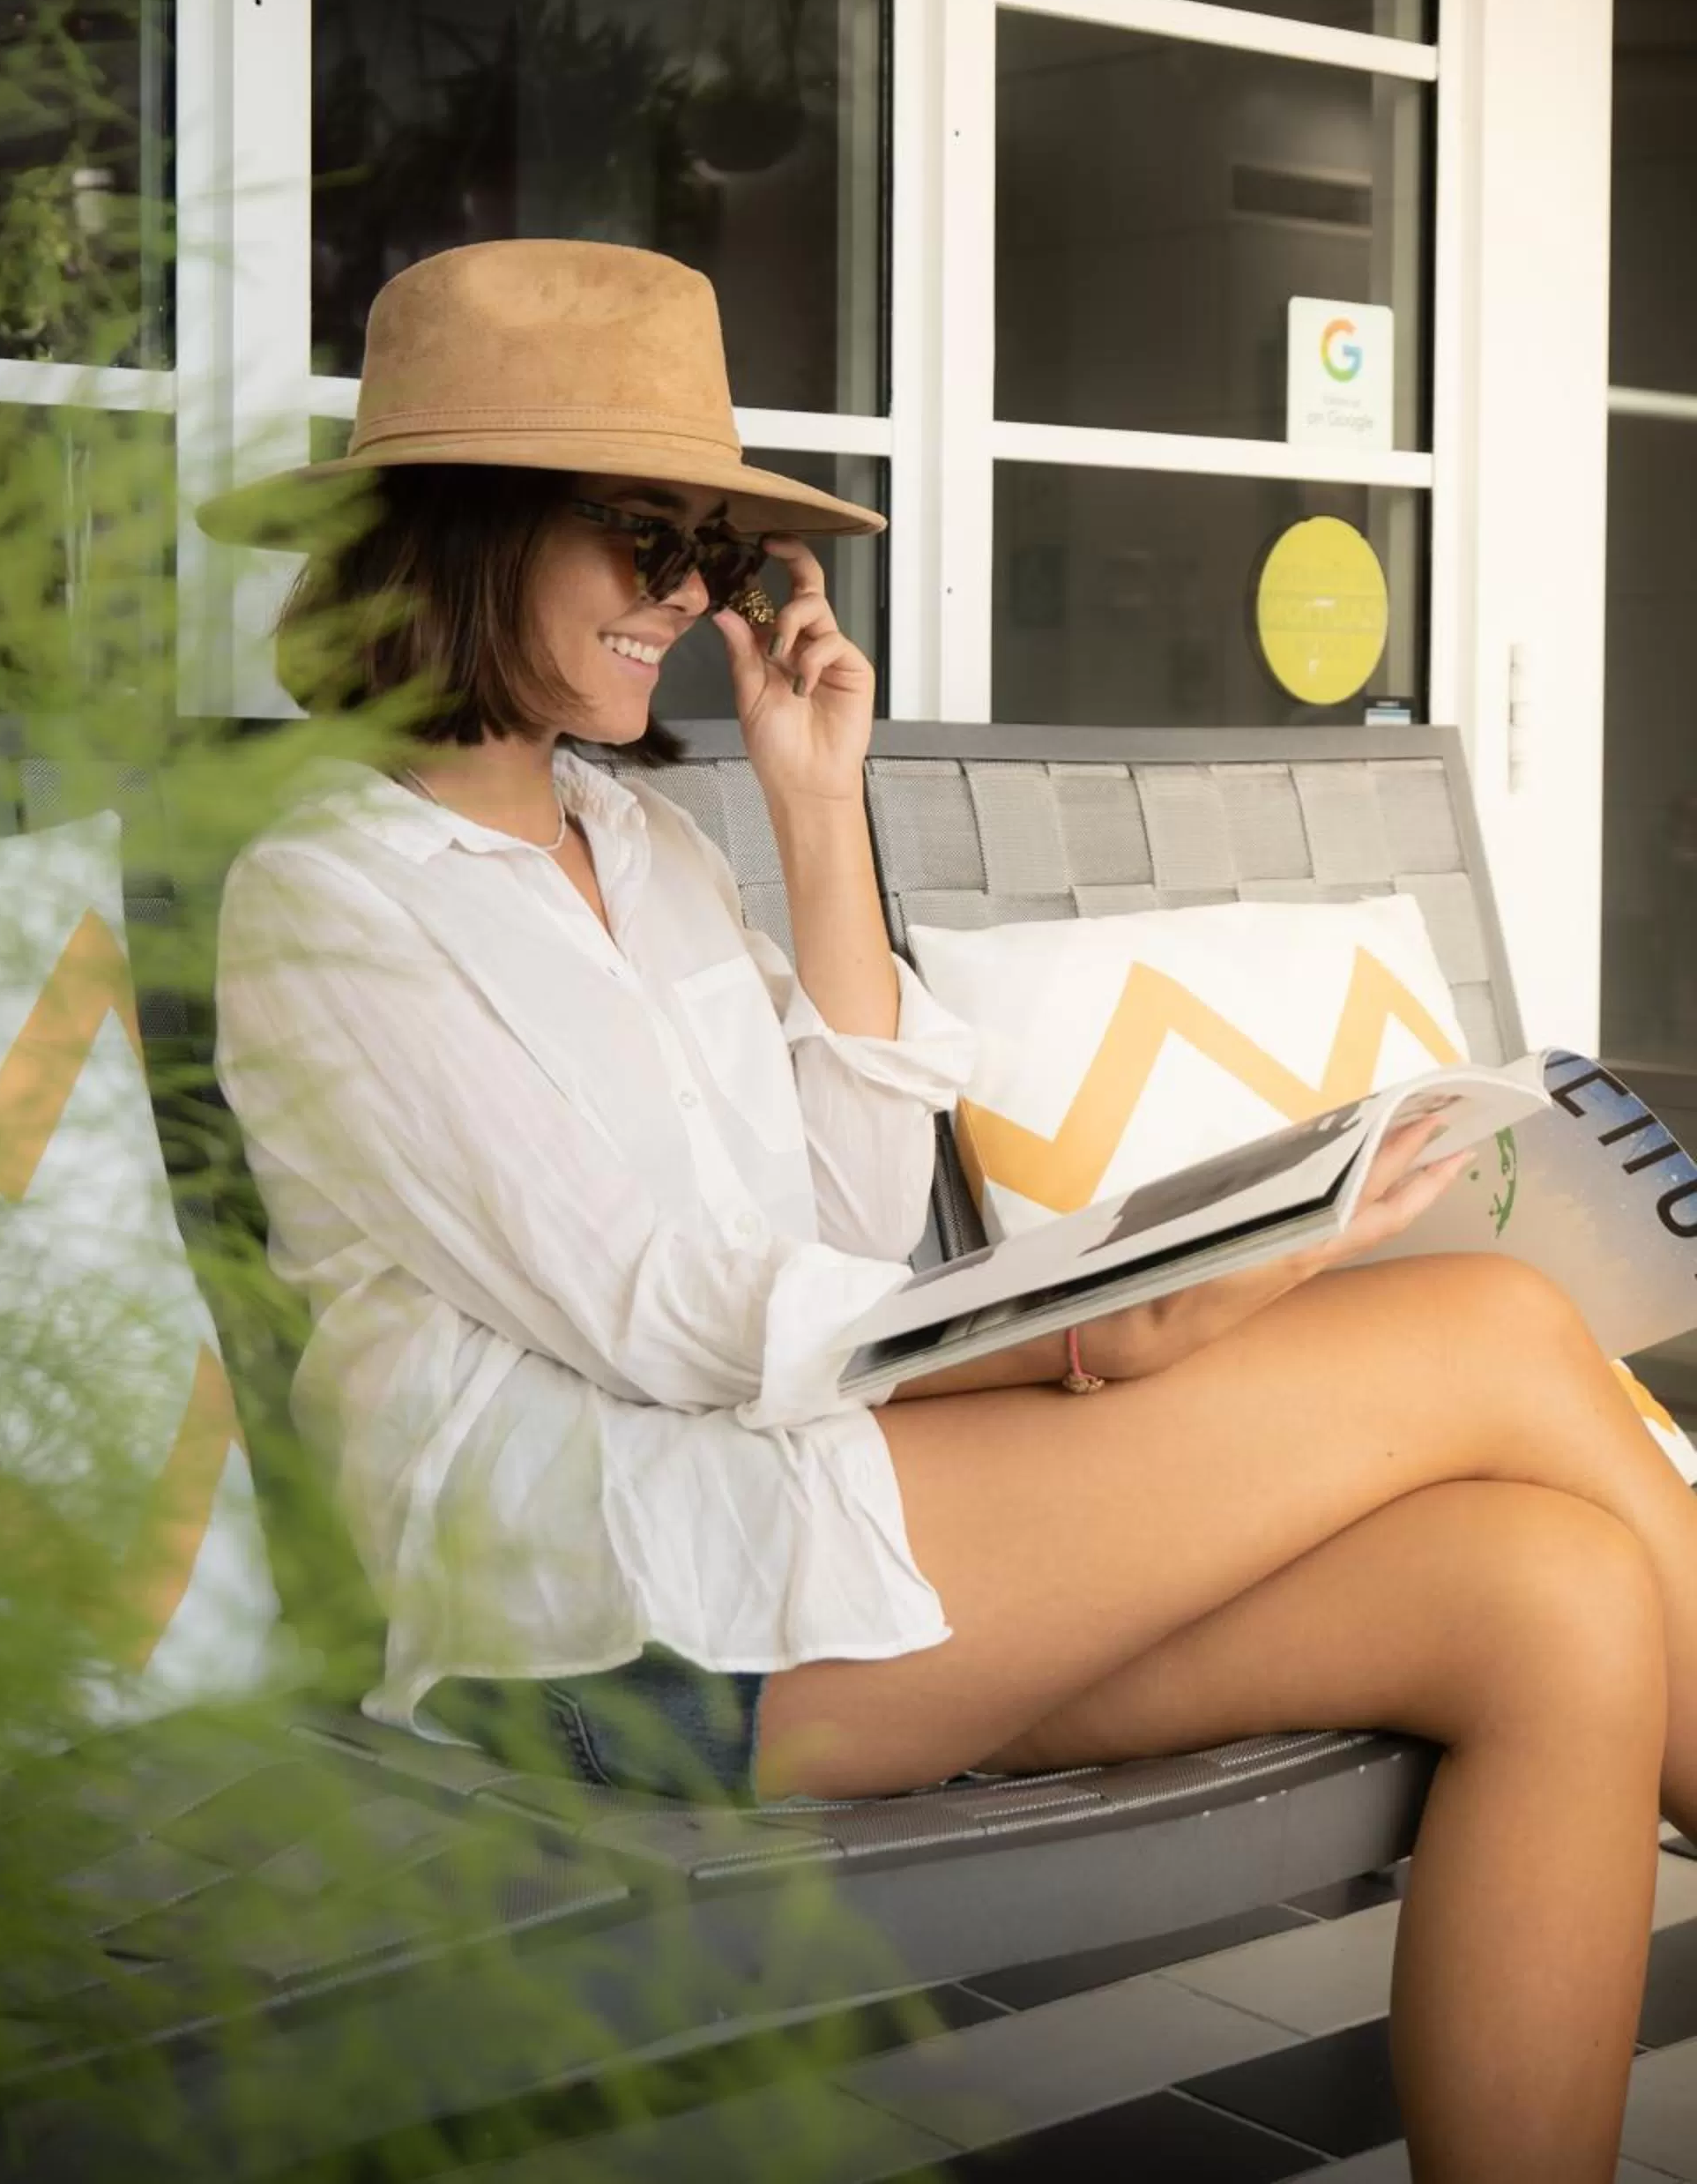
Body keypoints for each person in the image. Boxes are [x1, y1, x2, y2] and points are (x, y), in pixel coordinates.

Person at [209, 239, 1696, 2184]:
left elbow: (837, 1197)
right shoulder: (330, 895)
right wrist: (1090, 1338)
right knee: (1491, 1334)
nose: (684, 596)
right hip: (605, 1620)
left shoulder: (644, 847)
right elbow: (670, 1317)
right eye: (643, 540)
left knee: (1557, 1607)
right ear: (470, 533)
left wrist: (819, 808)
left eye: (709, 557)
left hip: (818, 1534)